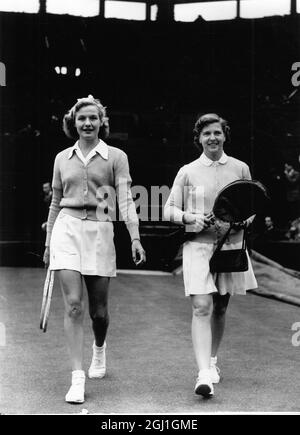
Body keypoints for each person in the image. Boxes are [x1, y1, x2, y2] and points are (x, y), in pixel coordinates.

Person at [43, 95, 146, 404]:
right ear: (73, 123)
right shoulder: (62, 157)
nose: (87, 123)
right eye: (81, 118)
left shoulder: (116, 156)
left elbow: (126, 199)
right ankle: (77, 378)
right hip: (67, 230)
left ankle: (99, 349)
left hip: (101, 231)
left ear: (102, 122)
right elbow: (55, 201)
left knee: (98, 312)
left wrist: (134, 237)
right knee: (73, 305)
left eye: (93, 118)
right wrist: (48, 242)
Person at [164, 113, 257, 398]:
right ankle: (203, 373)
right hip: (199, 247)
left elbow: (251, 207)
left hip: (230, 247)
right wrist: (190, 217)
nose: (212, 138)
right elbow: (168, 210)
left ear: (225, 135)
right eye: (206, 134)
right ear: (199, 138)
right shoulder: (187, 171)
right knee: (201, 307)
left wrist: (245, 221)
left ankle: (212, 360)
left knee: (219, 307)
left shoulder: (241, 168)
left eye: (217, 132)